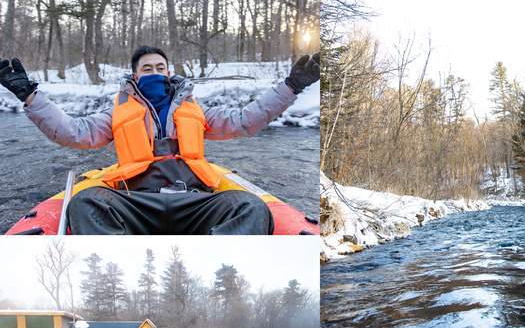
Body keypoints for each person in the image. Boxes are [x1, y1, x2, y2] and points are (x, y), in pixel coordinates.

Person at [0, 48, 319, 234]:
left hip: (194, 201)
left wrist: (291, 86)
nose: (154, 71)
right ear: (134, 76)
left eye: (160, 67)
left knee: (251, 207)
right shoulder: (116, 113)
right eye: (146, 68)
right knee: (84, 203)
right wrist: (30, 96)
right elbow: (72, 132)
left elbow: (246, 120)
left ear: (169, 72)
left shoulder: (197, 110)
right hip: (137, 201)